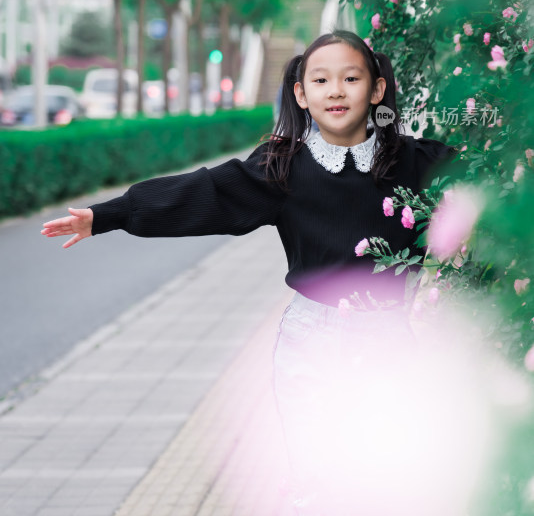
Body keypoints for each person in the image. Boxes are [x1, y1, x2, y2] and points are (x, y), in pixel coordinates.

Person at [41, 30, 458, 516]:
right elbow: (206, 192)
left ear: (377, 89)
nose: (336, 91)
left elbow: (497, 186)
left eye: (351, 78)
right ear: (301, 94)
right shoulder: (281, 167)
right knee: (317, 484)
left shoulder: (417, 163)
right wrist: (107, 216)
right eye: (320, 80)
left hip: (388, 341)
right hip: (311, 343)